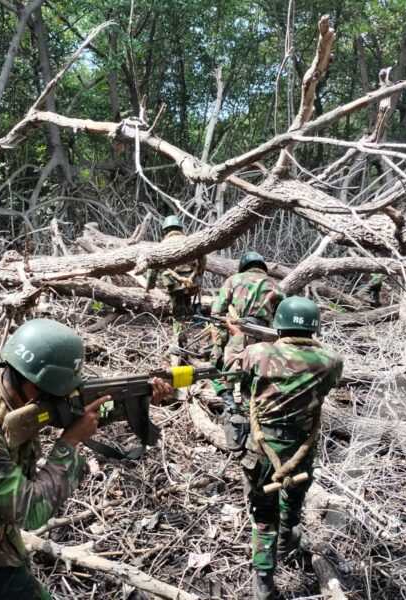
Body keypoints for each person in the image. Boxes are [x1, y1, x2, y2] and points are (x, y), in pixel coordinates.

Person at [0, 319, 172, 600]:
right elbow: (32, 512)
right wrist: (69, 443)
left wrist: (139, 399)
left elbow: (81, 410)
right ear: (34, 384)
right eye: (58, 391)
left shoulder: (9, 394)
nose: (63, 397)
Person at [224, 297, 343, 600]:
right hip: (301, 449)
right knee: (293, 498)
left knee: (264, 514)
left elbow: (229, 370)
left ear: (279, 323)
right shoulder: (331, 360)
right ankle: (288, 539)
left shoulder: (258, 353)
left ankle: (264, 580)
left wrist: (237, 337)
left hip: (263, 450)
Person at [209, 251, 283, 438]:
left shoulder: (233, 280)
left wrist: (229, 327)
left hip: (239, 332)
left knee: (224, 371)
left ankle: (231, 411)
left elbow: (216, 313)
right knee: (258, 375)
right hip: (266, 335)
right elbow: (281, 319)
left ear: (243, 266)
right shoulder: (275, 285)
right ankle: (257, 416)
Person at [145, 215, 206, 363]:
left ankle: (178, 348)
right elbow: (203, 259)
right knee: (186, 311)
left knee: (178, 315)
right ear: (180, 228)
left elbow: (152, 267)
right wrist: (198, 274)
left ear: (165, 230)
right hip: (191, 284)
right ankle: (184, 344)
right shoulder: (190, 241)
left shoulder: (162, 246)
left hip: (174, 285)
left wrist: (149, 286)